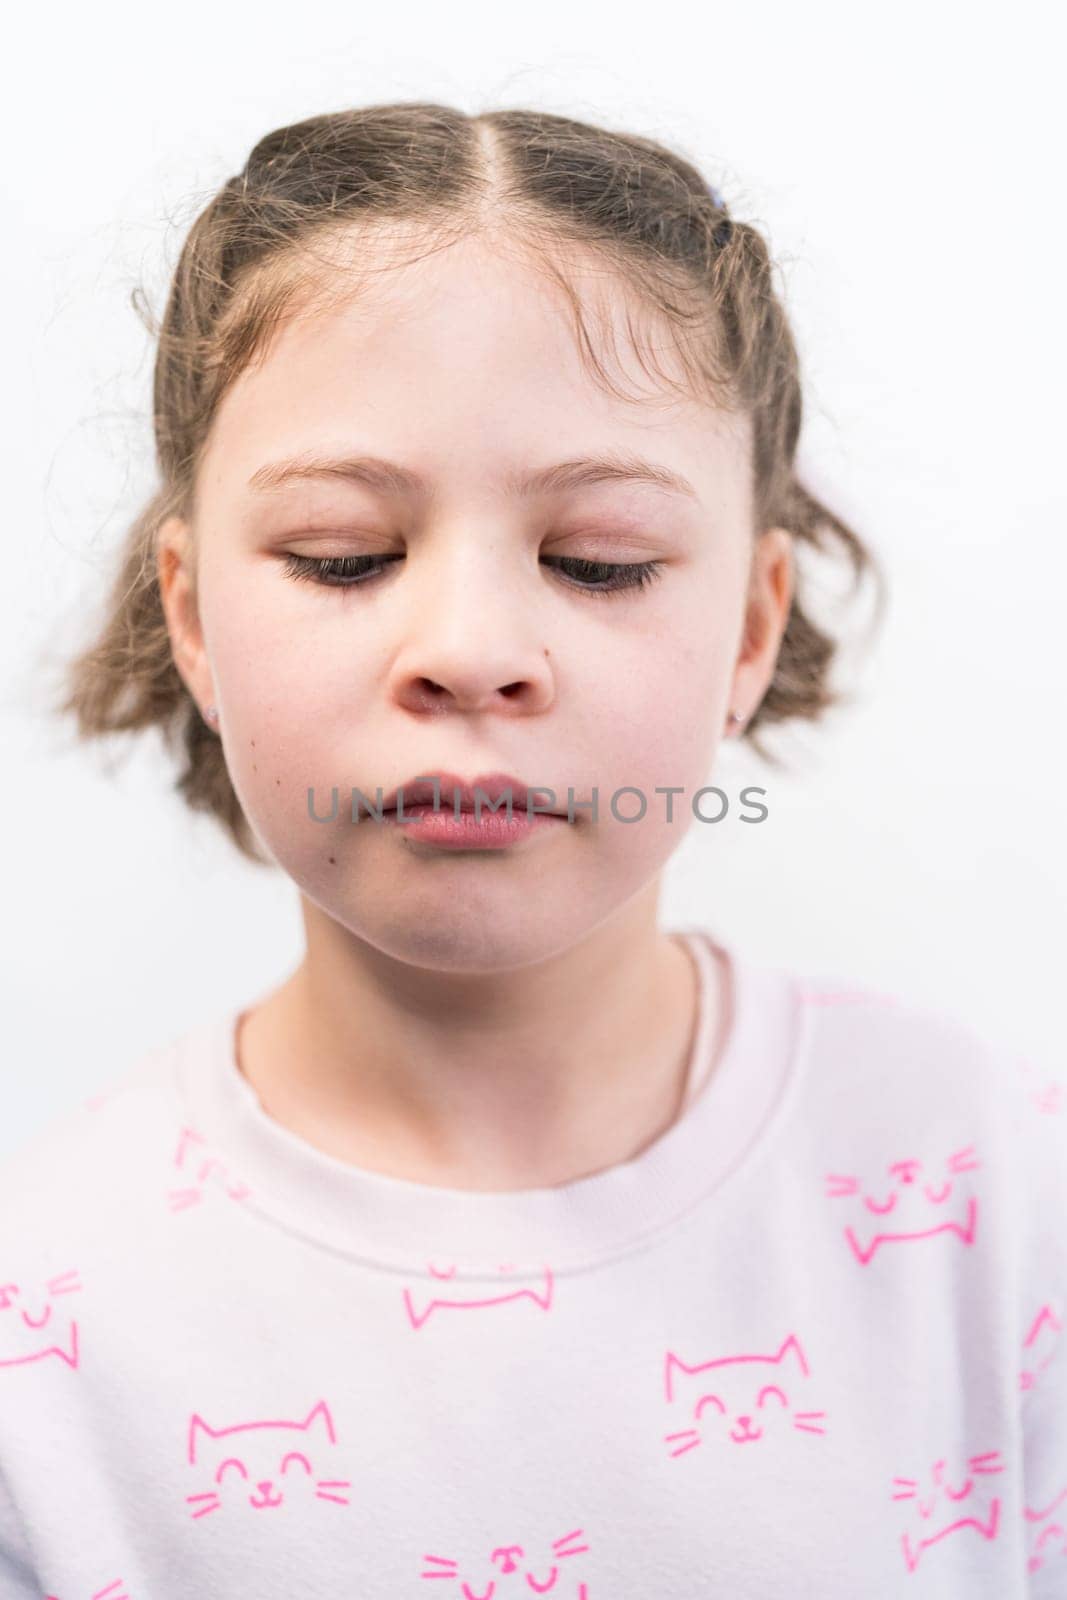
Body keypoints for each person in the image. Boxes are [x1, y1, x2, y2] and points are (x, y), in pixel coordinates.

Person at [2, 101, 1063, 1599]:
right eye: (345, 557)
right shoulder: (46, 1323)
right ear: (191, 615)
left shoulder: (998, 1189)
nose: (474, 652)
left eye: (598, 563)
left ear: (751, 627)